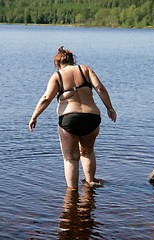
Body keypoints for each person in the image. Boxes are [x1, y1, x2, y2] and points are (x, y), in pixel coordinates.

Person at [29, 46, 116, 191]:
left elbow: (46, 98)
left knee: (71, 158)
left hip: (69, 120)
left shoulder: (58, 76)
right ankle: (91, 183)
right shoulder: (85, 69)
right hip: (92, 117)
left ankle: (72, 192)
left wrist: (34, 116)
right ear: (72, 60)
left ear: (57, 64)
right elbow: (100, 88)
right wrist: (110, 108)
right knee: (87, 151)